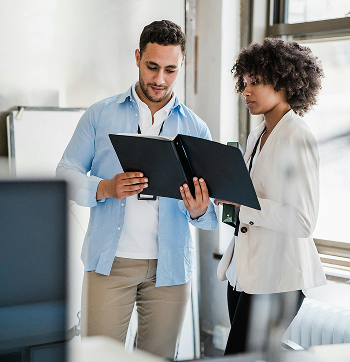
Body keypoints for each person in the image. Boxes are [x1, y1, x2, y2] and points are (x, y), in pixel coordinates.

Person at [56, 20, 217, 359]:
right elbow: (65, 173)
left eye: (170, 70)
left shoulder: (196, 128)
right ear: (137, 58)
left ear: (182, 65)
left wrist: (199, 208)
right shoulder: (100, 114)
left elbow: (208, 214)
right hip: (109, 265)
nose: (160, 79)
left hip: (170, 269)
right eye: (152, 66)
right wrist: (104, 187)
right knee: (98, 357)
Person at [215, 37, 327, 355]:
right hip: (245, 273)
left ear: (285, 83)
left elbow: (303, 221)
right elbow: (251, 198)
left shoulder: (298, 137)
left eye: (257, 82)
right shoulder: (257, 134)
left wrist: (244, 203)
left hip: (278, 280)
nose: (246, 91)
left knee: (238, 357)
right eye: (245, 81)